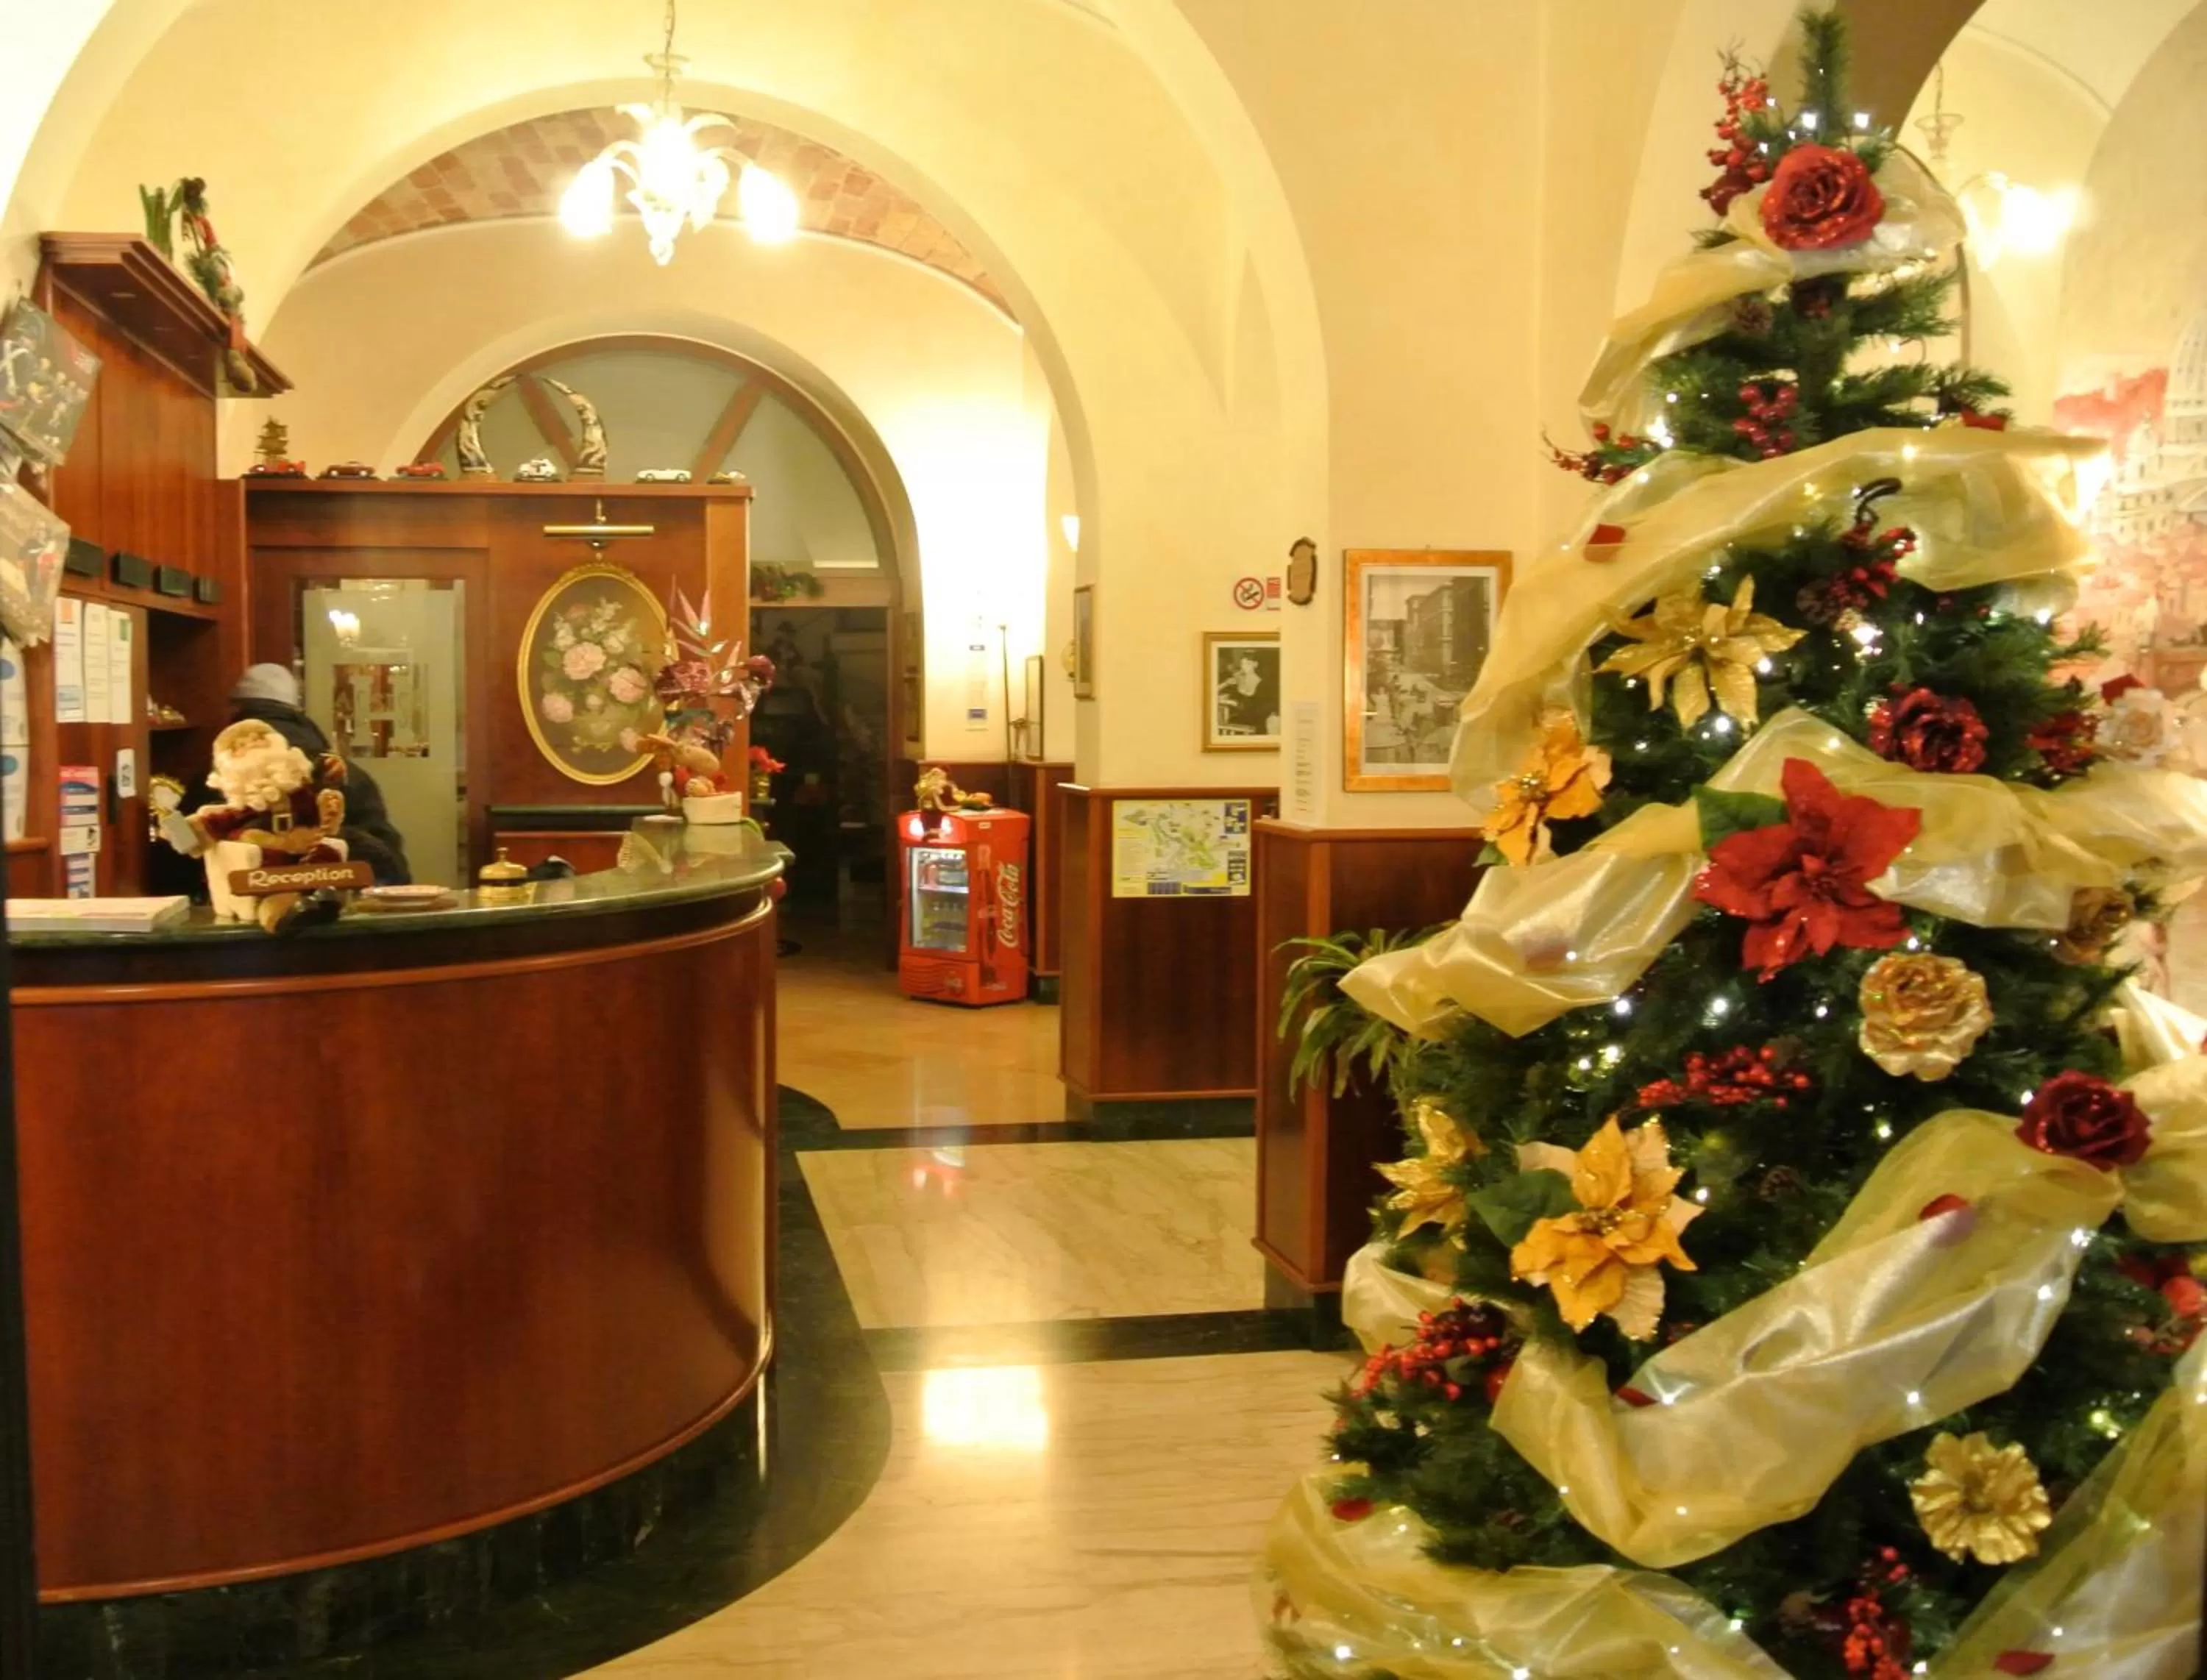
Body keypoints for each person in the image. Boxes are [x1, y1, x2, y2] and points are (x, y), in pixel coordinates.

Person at [210, 664, 412, 884]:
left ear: (235, 712)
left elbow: (193, 856)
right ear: (296, 709)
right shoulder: (343, 771)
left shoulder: (223, 778)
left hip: (252, 895)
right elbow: (393, 868)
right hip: (345, 894)